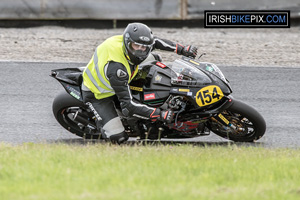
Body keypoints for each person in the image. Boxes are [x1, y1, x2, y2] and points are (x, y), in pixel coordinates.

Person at [81, 22, 197, 144]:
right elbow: (128, 106)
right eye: (137, 46)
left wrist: (182, 49)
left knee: (155, 58)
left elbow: (154, 42)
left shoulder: (133, 43)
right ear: (127, 43)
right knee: (118, 138)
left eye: (144, 48)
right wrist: (159, 114)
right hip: (97, 93)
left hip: (121, 71)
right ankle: (103, 125)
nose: (141, 51)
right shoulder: (117, 69)